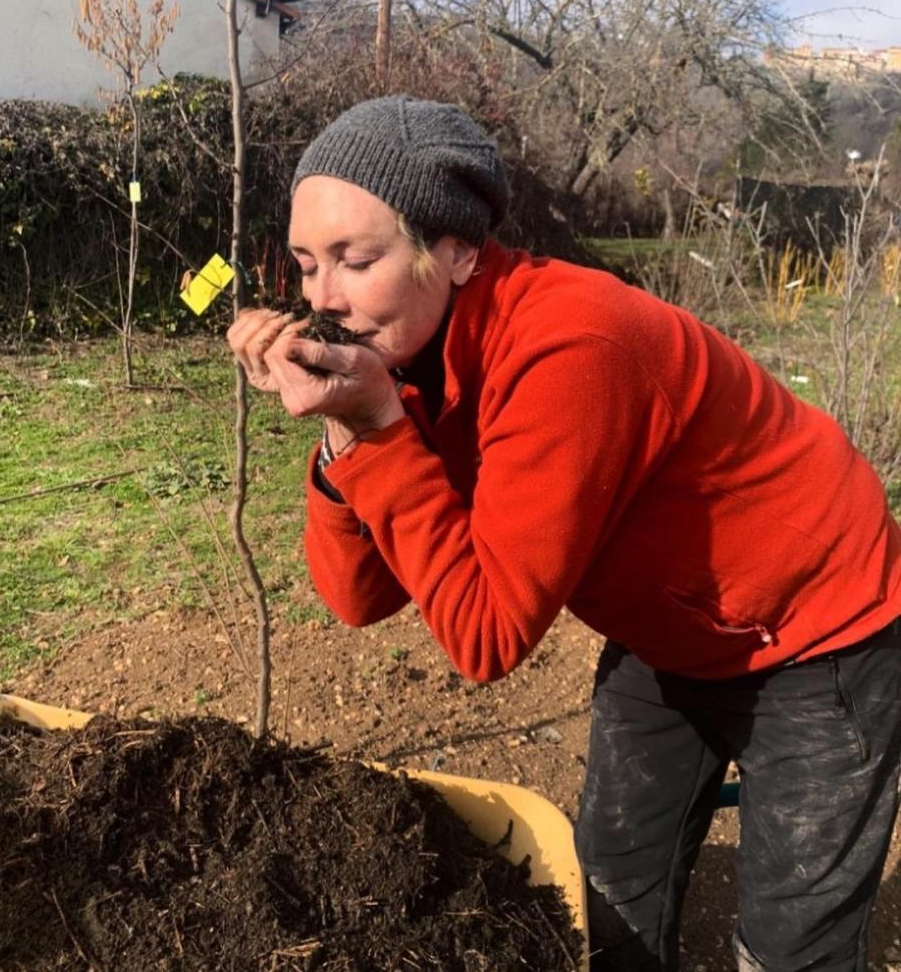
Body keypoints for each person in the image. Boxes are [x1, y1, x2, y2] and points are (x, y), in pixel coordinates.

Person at [227, 95, 901, 971]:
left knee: (789, 944)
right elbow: (359, 597)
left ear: (459, 250)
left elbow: (487, 636)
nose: (323, 298)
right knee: (612, 887)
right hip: (672, 626)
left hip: (820, 624)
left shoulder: (569, 349)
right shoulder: (408, 358)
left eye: (356, 259)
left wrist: (384, 427)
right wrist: (350, 431)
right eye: (308, 264)